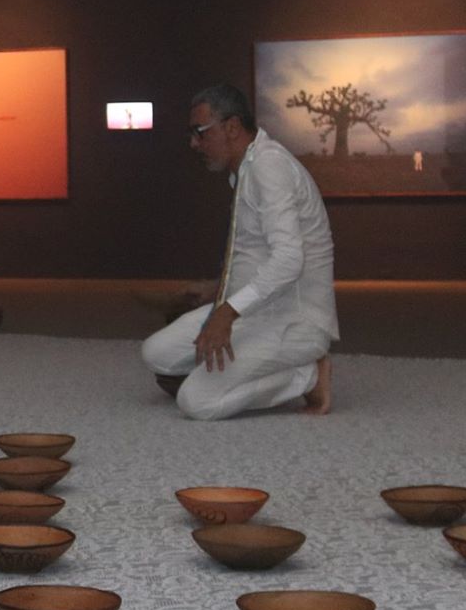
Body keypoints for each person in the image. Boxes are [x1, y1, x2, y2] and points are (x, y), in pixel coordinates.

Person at [140, 83, 339, 419]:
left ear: (231, 127)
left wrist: (225, 314)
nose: (194, 143)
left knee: (195, 402)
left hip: (295, 320)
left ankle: (307, 376)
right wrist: (215, 290)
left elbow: (289, 260)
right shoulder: (246, 170)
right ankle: (235, 375)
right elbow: (258, 255)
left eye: (200, 132)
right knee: (155, 353)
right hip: (255, 312)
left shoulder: (269, 167)